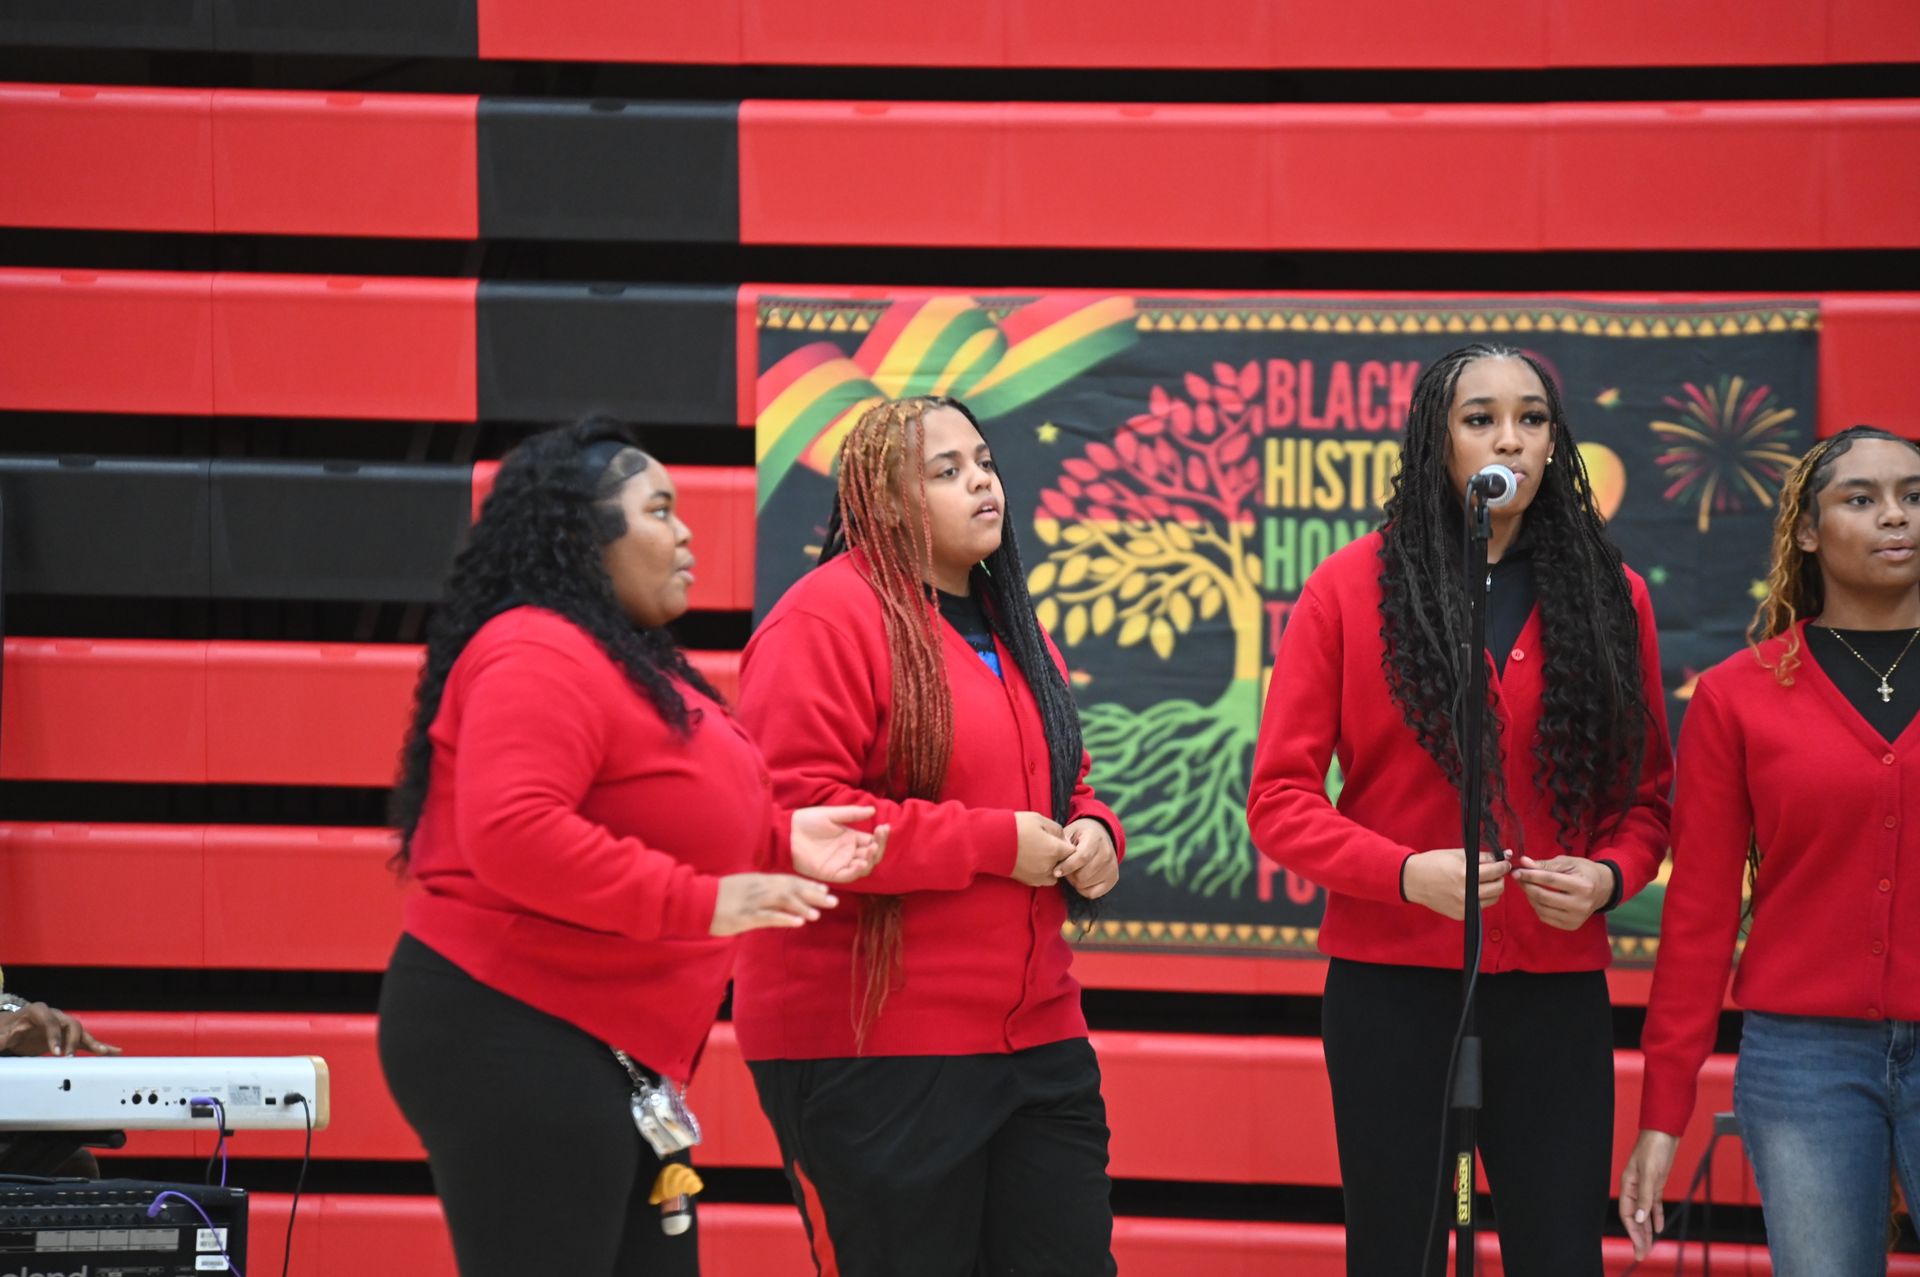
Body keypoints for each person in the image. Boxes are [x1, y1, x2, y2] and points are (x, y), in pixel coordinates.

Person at [375, 418, 883, 1277]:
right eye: (659, 510)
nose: (687, 534)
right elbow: (514, 832)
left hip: (596, 1042)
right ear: (585, 535)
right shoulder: (533, 648)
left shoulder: (615, 655)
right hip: (513, 1026)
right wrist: (703, 900)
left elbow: (660, 807)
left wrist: (778, 837)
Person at [1246, 344, 1673, 1277]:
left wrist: (1609, 878)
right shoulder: (1347, 587)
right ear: (1435, 441)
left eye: (1531, 419)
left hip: (1555, 991)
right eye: (1481, 419)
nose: (1509, 439)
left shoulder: (1614, 595)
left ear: (1555, 442)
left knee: (1560, 1253)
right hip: (1391, 990)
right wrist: (1405, 873)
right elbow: (1278, 801)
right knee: (1396, 1251)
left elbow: (1647, 801)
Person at [734, 395, 1125, 1277]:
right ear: (883, 498)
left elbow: (1069, 782)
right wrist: (992, 844)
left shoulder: (1012, 623)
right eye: (947, 471)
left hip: (1037, 1039)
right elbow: (796, 821)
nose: (981, 482)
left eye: (983, 462)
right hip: (873, 1046)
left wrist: (1095, 832)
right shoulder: (822, 619)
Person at [1622, 425, 1920, 1275]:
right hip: (1804, 1063)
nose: (1895, 515)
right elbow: (1699, 918)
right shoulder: (1739, 696)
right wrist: (1662, 1114)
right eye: (1861, 498)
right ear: (1809, 531)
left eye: (1913, 495)